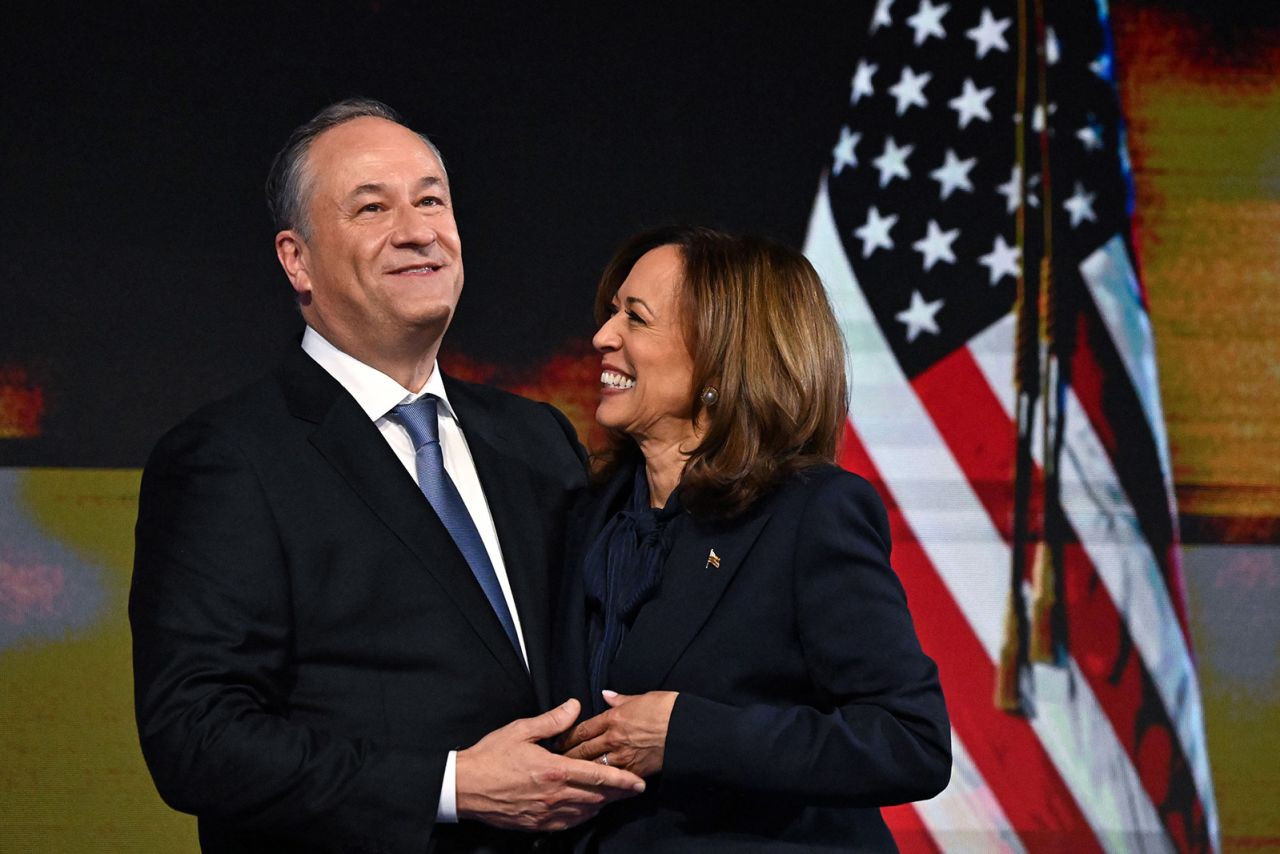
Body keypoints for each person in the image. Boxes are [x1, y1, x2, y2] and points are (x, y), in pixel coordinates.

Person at [129, 98, 644, 854]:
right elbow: (196, 739)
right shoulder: (227, 459)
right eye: (372, 207)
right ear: (296, 259)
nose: (417, 229)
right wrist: (448, 786)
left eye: (431, 199)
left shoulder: (535, 439)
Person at [552, 226, 951, 851]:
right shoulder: (584, 517)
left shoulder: (808, 514)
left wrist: (687, 734)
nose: (604, 336)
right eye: (611, 313)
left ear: (719, 355)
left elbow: (909, 741)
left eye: (637, 317)